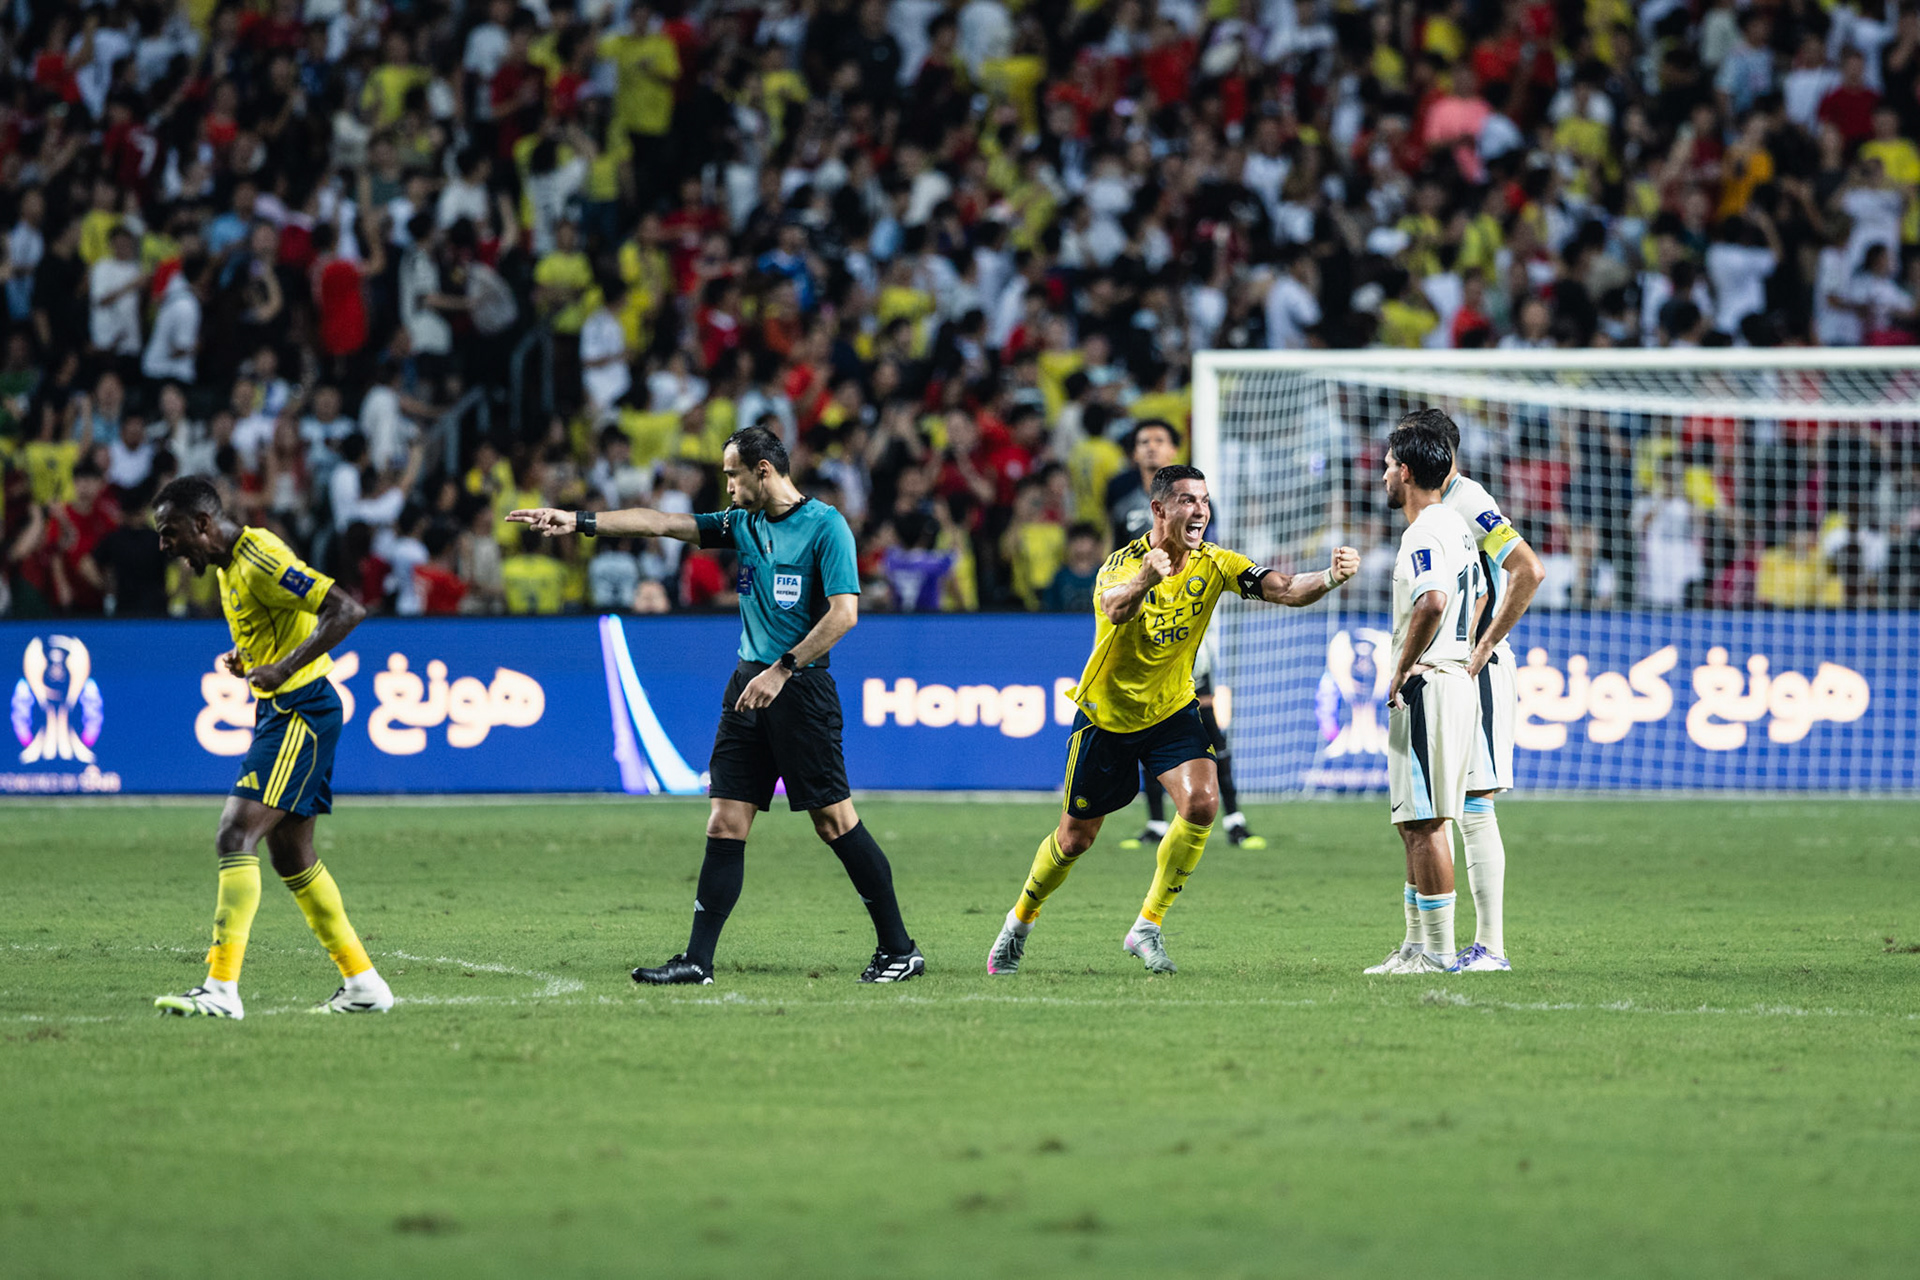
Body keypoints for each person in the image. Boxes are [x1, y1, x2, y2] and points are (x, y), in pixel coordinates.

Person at [509, 426, 923, 985]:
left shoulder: (826, 527)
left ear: (763, 471)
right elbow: (661, 522)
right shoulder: (742, 524)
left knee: (833, 822)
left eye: (732, 472)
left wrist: (784, 668)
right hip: (746, 686)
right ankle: (697, 961)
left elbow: (844, 614)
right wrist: (578, 521)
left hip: (799, 689)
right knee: (725, 821)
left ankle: (899, 950)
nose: (725, 483)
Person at [985, 464, 1359, 976]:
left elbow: (1287, 588)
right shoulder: (1121, 564)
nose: (1200, 510)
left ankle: (1147, 927)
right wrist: (1146, 578)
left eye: (1204, 500)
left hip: (1171, 710)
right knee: (1074, 839)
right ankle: (1018, 924)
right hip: (1107, 717)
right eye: (1187, 500)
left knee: (1202, 804)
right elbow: (1115, 608)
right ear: (1159, 510)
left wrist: (1331, 577)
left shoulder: (1217, 564)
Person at [149, 476, 392, 1018]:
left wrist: (284, 665)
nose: (165, 546)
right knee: (291, 855)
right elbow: (283, 622)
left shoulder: (259, 556)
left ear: (204, 524)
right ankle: (364, 985)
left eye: (170, 533)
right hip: (282, 710)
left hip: (300, 710)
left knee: (236, 834)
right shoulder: (228, 566)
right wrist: (252, 655)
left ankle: (220, 990)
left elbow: (347, 610)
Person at [1406, 408, 1547, 973]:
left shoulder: (1466, 501)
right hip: (1443, 671)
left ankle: (1491, 946)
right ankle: (1420, 943)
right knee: (1428, 811)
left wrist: (1487, 644)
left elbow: (1528, 570)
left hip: (1473, 670)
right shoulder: (1435, 509)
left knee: (1472, 807)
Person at [1364, 422, 1480, 976]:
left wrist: (1407, 664)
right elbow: (1475, 598)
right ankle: (1416, 947)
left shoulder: (1425, 532)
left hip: (1428, 683)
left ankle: (1437, 952)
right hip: (1449, 677)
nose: (1384, 474)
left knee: (1428, 821)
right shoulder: (1455, 527)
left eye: (1388, 465)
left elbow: (1432, 601)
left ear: (1406, 472)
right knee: (1416, 821)